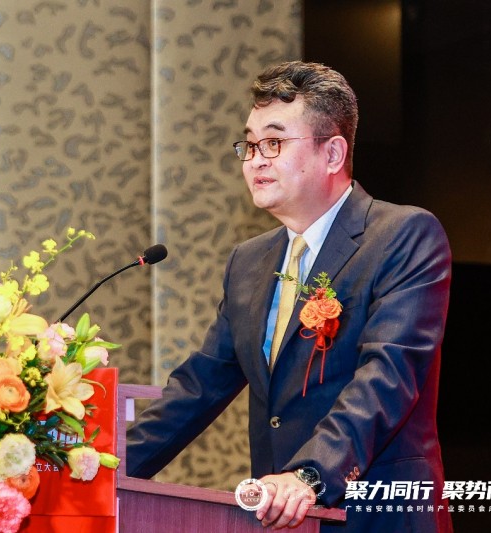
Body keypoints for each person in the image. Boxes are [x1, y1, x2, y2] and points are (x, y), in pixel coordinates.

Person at [126, 61, 453, 532]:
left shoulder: (402, 235)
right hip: (282, 520)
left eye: (274, 143)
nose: (255, 160)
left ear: (333, 153)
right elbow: (198, 388)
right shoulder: (249, 262)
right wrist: (96, 470)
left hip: (377, 516)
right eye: (250, 144)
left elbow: (388, 376)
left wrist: (309, 475)